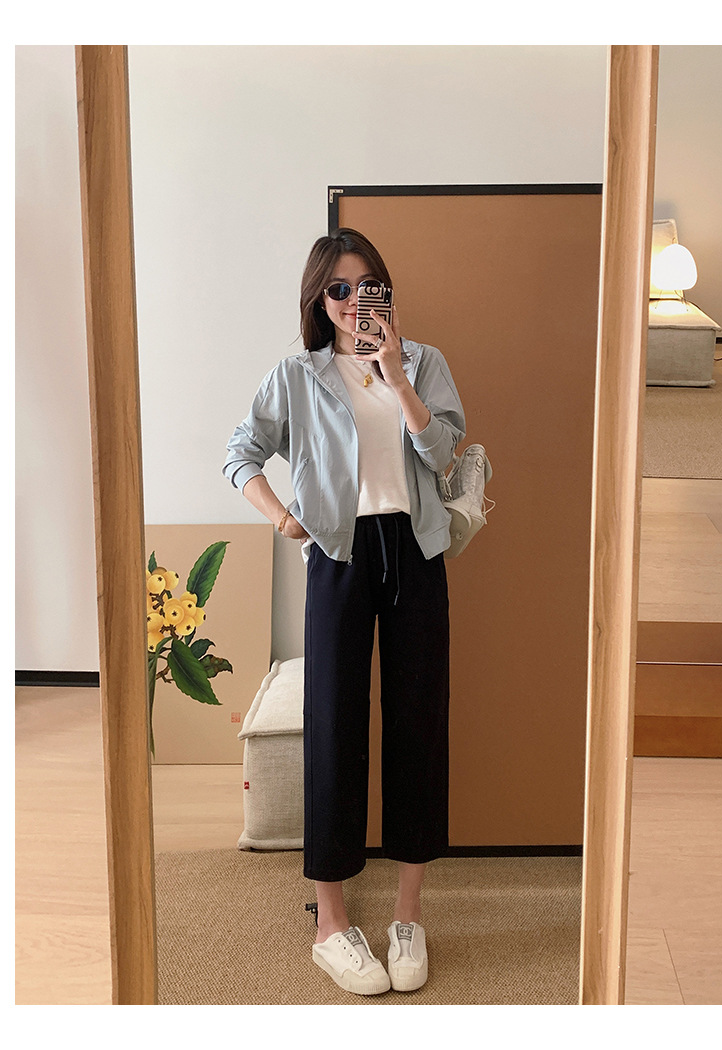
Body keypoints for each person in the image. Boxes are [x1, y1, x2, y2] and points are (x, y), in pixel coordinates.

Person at [222, 228, 466, 996]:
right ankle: (330, 921)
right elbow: (240, 452)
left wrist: (396, 378)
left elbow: (446, 455)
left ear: (385, 291)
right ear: (319, 300)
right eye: (338, 289)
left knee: (419, 722)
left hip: (415, 553)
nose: (354, 301)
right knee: (333, 724)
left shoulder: (423, 362)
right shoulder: (298, 376)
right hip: (337, 554)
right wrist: (281, 516)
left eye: (368, 286)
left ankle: (407, 913)